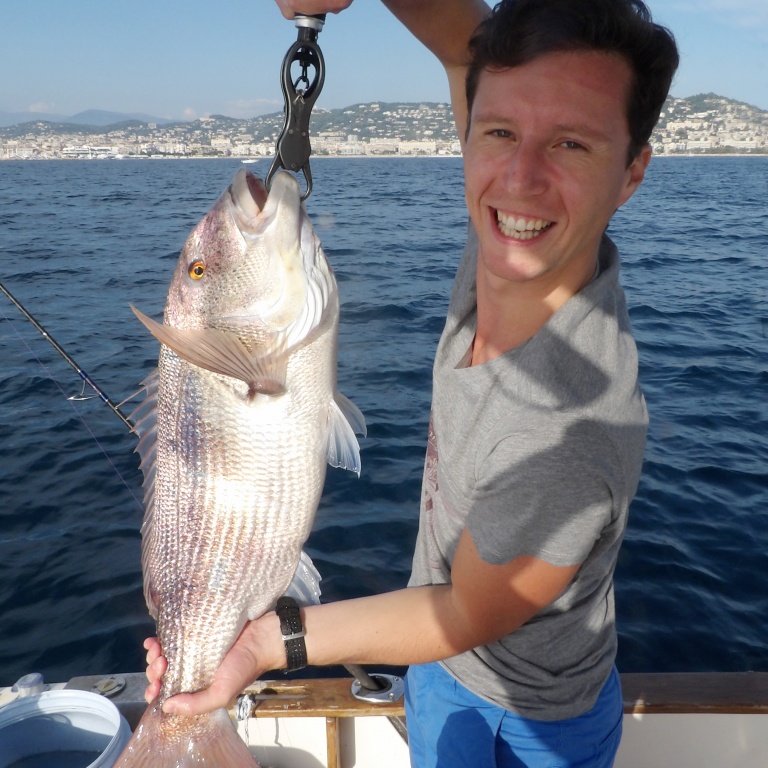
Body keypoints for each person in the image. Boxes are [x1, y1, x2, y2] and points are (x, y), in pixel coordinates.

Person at [144, 1, 679, 765]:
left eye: (571, 143)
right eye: (499, 132)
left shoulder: (571, 432)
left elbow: (465, 613)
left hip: (528, 718)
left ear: (632, 172)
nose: (521, 179)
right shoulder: (520, 246)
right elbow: (465, 42)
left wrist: (263, 644)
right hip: (435, 670)